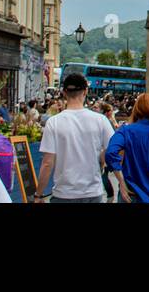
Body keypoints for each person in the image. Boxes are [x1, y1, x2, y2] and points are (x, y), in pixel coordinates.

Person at [35, 72, 115, 203]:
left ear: (64, 92)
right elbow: (113, 148)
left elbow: (47, 163)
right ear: (85, 91)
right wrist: (101, 159)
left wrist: (38, 194)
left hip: (64, 193)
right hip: (92, 192)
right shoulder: (100, 120)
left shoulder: (54, 122)